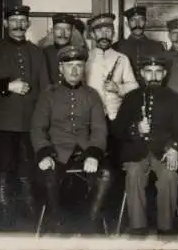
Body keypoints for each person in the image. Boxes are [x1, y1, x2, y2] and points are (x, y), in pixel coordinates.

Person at [0, 5, 49, 227]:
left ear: (28, 24)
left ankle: (29, 211)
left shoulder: (36, 52)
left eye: (22, 20)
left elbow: (46, 89)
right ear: (6, 23)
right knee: (4, 168)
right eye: (14, 20)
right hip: (1, 121)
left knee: (28, 167)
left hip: (29, 122)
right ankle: (4, 211)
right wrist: (8, 86)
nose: (19, 24)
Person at [31, 45, 112, 233]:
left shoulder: (92, 95)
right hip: (56, 152)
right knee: (49, 177)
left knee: (106, 175)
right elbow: (37, 128)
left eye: (79, 65)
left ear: (84, 68)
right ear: (61, 68)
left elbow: (100, 129)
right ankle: (57, 224)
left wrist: (94, 153)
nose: (74, 70)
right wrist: (44, 154)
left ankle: (91, 222)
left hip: (85, 151)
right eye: (69, 65)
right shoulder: (48, 95)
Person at [113, 54, 178, 237]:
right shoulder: (131, 98)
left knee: (170, 177)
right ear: (141, 73)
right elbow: (116, 130)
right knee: (134, 173)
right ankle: (138, 227)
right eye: (149, 72)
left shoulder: (174, 99)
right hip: (135, 151)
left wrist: (174, 148)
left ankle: (165, 228)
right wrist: (136, 129)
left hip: (163, 152)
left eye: (157, 72)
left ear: (164, 74)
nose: (153, 77)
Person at [85, 13, 139, 169]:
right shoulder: (85, 58)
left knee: (117, 159)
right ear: (93, 34)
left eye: (108, 31)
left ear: (113, 33)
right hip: (91, 118)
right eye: (99, 31)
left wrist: (118, 88)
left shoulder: (122, 59)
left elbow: (134, 86)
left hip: (116, 117)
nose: (104, 35)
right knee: (95, 158)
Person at [114, 6, 165, 83]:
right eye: (133, 20)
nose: (137, 24)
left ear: (146, 22)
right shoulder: (117, 47)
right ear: (127, 24)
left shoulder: (157, 46)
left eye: (141, 20)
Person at [43, 13, 86, 85]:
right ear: (53, 30)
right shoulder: (43, 53)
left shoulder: (79, 52)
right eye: (58, 29)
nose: (62, 34)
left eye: (67, 30)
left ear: (72, 31)